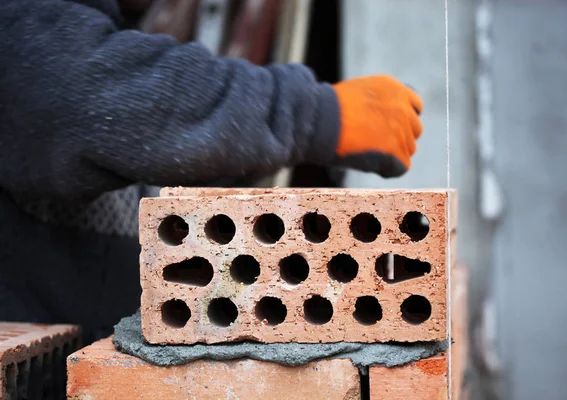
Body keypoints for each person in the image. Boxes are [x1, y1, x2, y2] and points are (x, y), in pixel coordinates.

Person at [0, 0, 424, 344]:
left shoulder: (97, 31)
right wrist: (315, 115)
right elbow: (80, 95)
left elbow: (139, 162)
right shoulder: (25, 33)